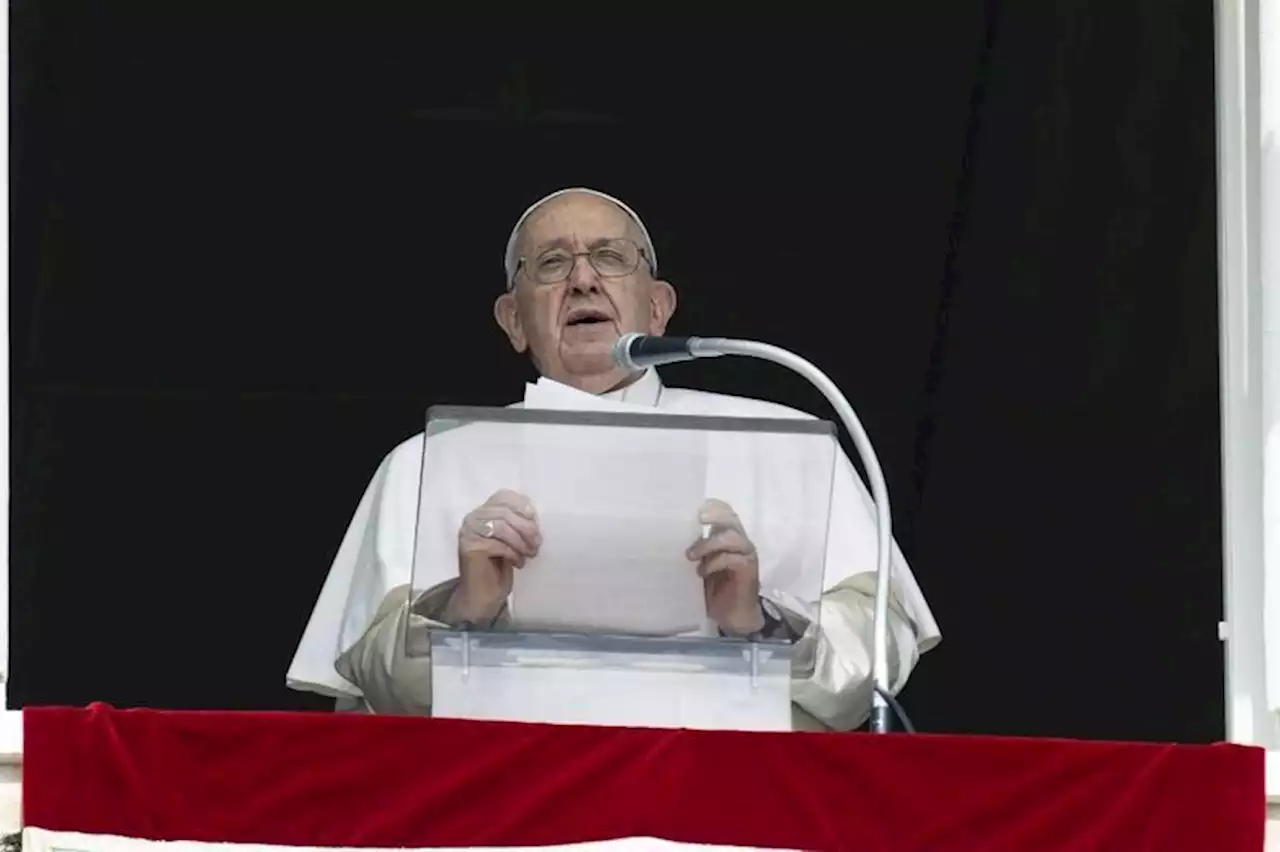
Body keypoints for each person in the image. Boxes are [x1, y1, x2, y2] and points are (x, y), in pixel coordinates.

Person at [287, 187, 941, 730]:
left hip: (731, 803)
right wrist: (463, 610)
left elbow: (877, 652)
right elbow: (367, 688)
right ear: (513, 320)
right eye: (550, 263)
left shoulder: (785, 440)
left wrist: (761, 623)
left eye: (608, 257)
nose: (581, 278)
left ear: (658, 307)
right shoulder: (425, 462)